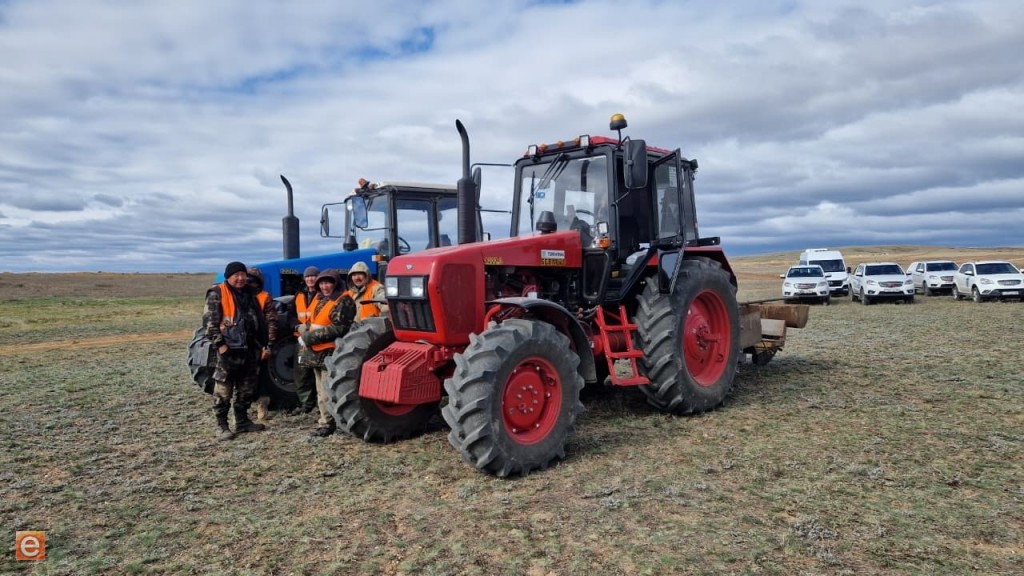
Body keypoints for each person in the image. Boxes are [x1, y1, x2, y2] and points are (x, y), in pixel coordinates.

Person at [203, 261, 267, 441]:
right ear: (228, 276)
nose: (240, 279)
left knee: (246, 388)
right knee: (224, 389)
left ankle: (242, 421)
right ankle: (222, 426)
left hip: (249, 348)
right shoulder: (217, 294)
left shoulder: (249, 293)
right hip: (228, 350)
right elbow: (210, 324)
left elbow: (258, 318)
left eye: (243, 275)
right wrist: (221, 346)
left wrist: (262, 342)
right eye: (236, 275)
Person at [297, 269, 357, 437]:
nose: (324, 286)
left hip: (332, 353)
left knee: (326, 392)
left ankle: (328, 424)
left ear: (335, 283)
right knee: (320, 390)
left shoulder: (344, 301)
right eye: (322, 283)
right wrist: (304, 332)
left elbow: (339, 328)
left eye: (328, 283)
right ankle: (326, 421)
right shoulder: (319, 298)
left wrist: (309, 337)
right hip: (316, 352)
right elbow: (313, 321)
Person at [246, 267, 278, 422]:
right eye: (247, 280)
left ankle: (262, 403)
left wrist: (269, 344)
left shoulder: (264, 297)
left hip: (259, 342)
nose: (249, 283)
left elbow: (271, 321)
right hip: (242, 342)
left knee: (260, 374)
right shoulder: (239, 296)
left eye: (252, 280)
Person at [288, 266, 320, 416]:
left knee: (319, 374)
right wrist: (296, 326)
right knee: (301, 373)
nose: (310, 279)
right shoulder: (299, 295)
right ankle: (306, 404)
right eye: (308, 277)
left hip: (319, 340)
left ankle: (321, 406)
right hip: (301, 341)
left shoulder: (324, 294)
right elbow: (291, 315)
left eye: (313, 276)